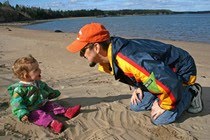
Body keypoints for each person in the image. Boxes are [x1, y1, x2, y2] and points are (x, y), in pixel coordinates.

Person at [66, 22, 203, 125]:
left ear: (96, 47)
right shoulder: (112, 55)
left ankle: (192, 92)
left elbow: (168, 79)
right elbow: (139, 72)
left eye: (82, 51)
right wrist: (138, 86)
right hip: (161, 73)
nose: (81, 55)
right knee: (137, 105)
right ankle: (162, 95)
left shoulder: (129, 58)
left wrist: (163, 105)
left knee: (161, 119)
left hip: (180, 71)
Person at [8, 55, 81, 133]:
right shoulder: (19, 89)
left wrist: (53, 93)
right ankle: (53, 123)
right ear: (26, 75)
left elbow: (46, 89)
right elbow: (16, 104)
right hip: (31, 109)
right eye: (36, 70)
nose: (40, 70)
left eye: (38, 68)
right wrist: (22, 113)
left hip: (43, 103)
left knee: (53, 105)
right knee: (39, 115)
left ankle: (66, 112)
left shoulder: (38, 82)